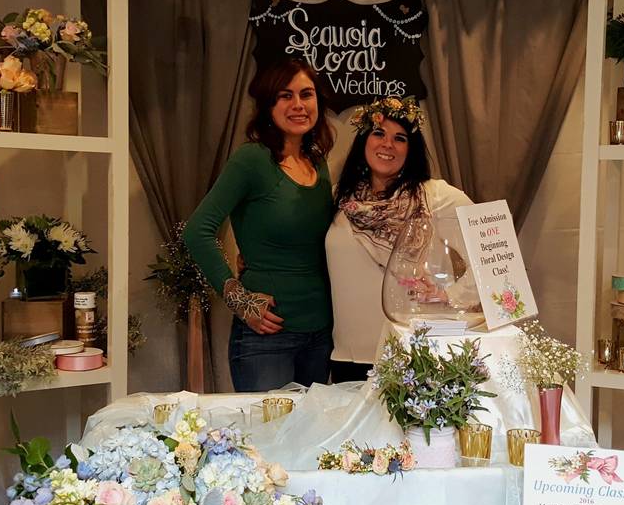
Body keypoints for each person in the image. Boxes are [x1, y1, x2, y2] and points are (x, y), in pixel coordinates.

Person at [184, 58, 335, 391]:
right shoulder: (252, 159)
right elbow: (198, 231)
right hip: (268, 337)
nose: (298, 105)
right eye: (285, 96)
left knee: (309, 441)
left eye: (306, 94)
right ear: (268, 105)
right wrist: (239, 300)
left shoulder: (318, 163)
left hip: (321, 333)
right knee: (266, 441)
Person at [326, 96, 475, 382]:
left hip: (409, 353)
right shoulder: (339, 198)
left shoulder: (436, 196)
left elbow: (491, 255)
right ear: (364, 141)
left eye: (400, 138)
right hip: (346, 355)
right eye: (379, 133)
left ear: (412, 148)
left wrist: (450, 295)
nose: (387, 145)